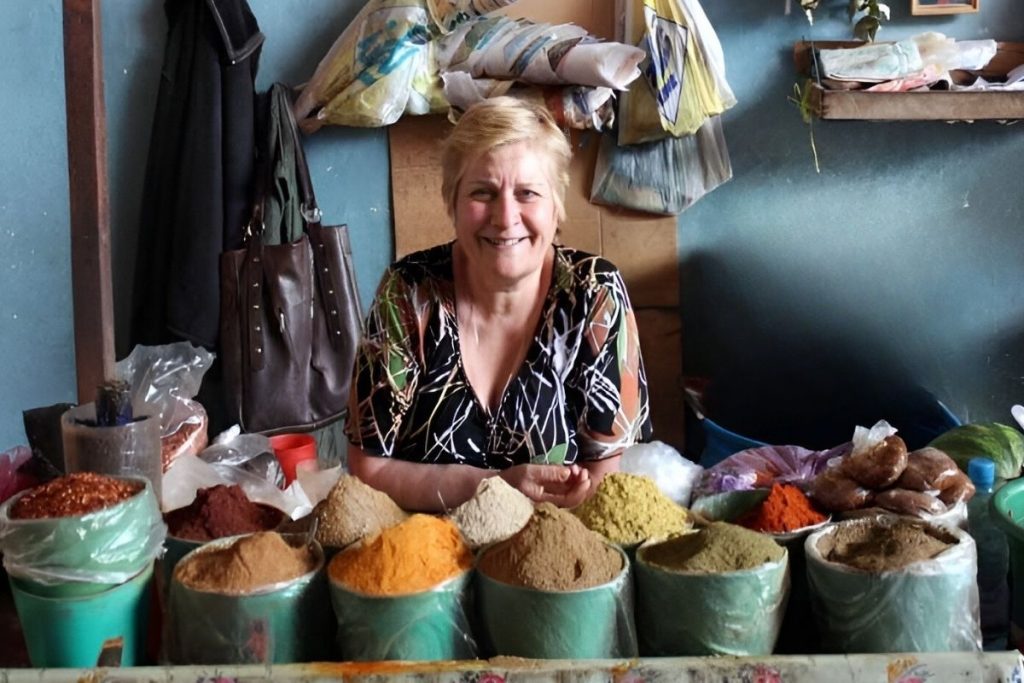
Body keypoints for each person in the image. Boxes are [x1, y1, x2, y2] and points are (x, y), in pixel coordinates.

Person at [345, 96, 653, 512]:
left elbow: (604, 476)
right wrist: (495, 487)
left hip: (553, 553)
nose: (505, 217)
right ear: (451, 203)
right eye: (482, 192)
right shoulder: (408, 293)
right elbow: (370, 469)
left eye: (527, 193)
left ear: (556, 207)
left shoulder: (593, 295)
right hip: (426, 560)